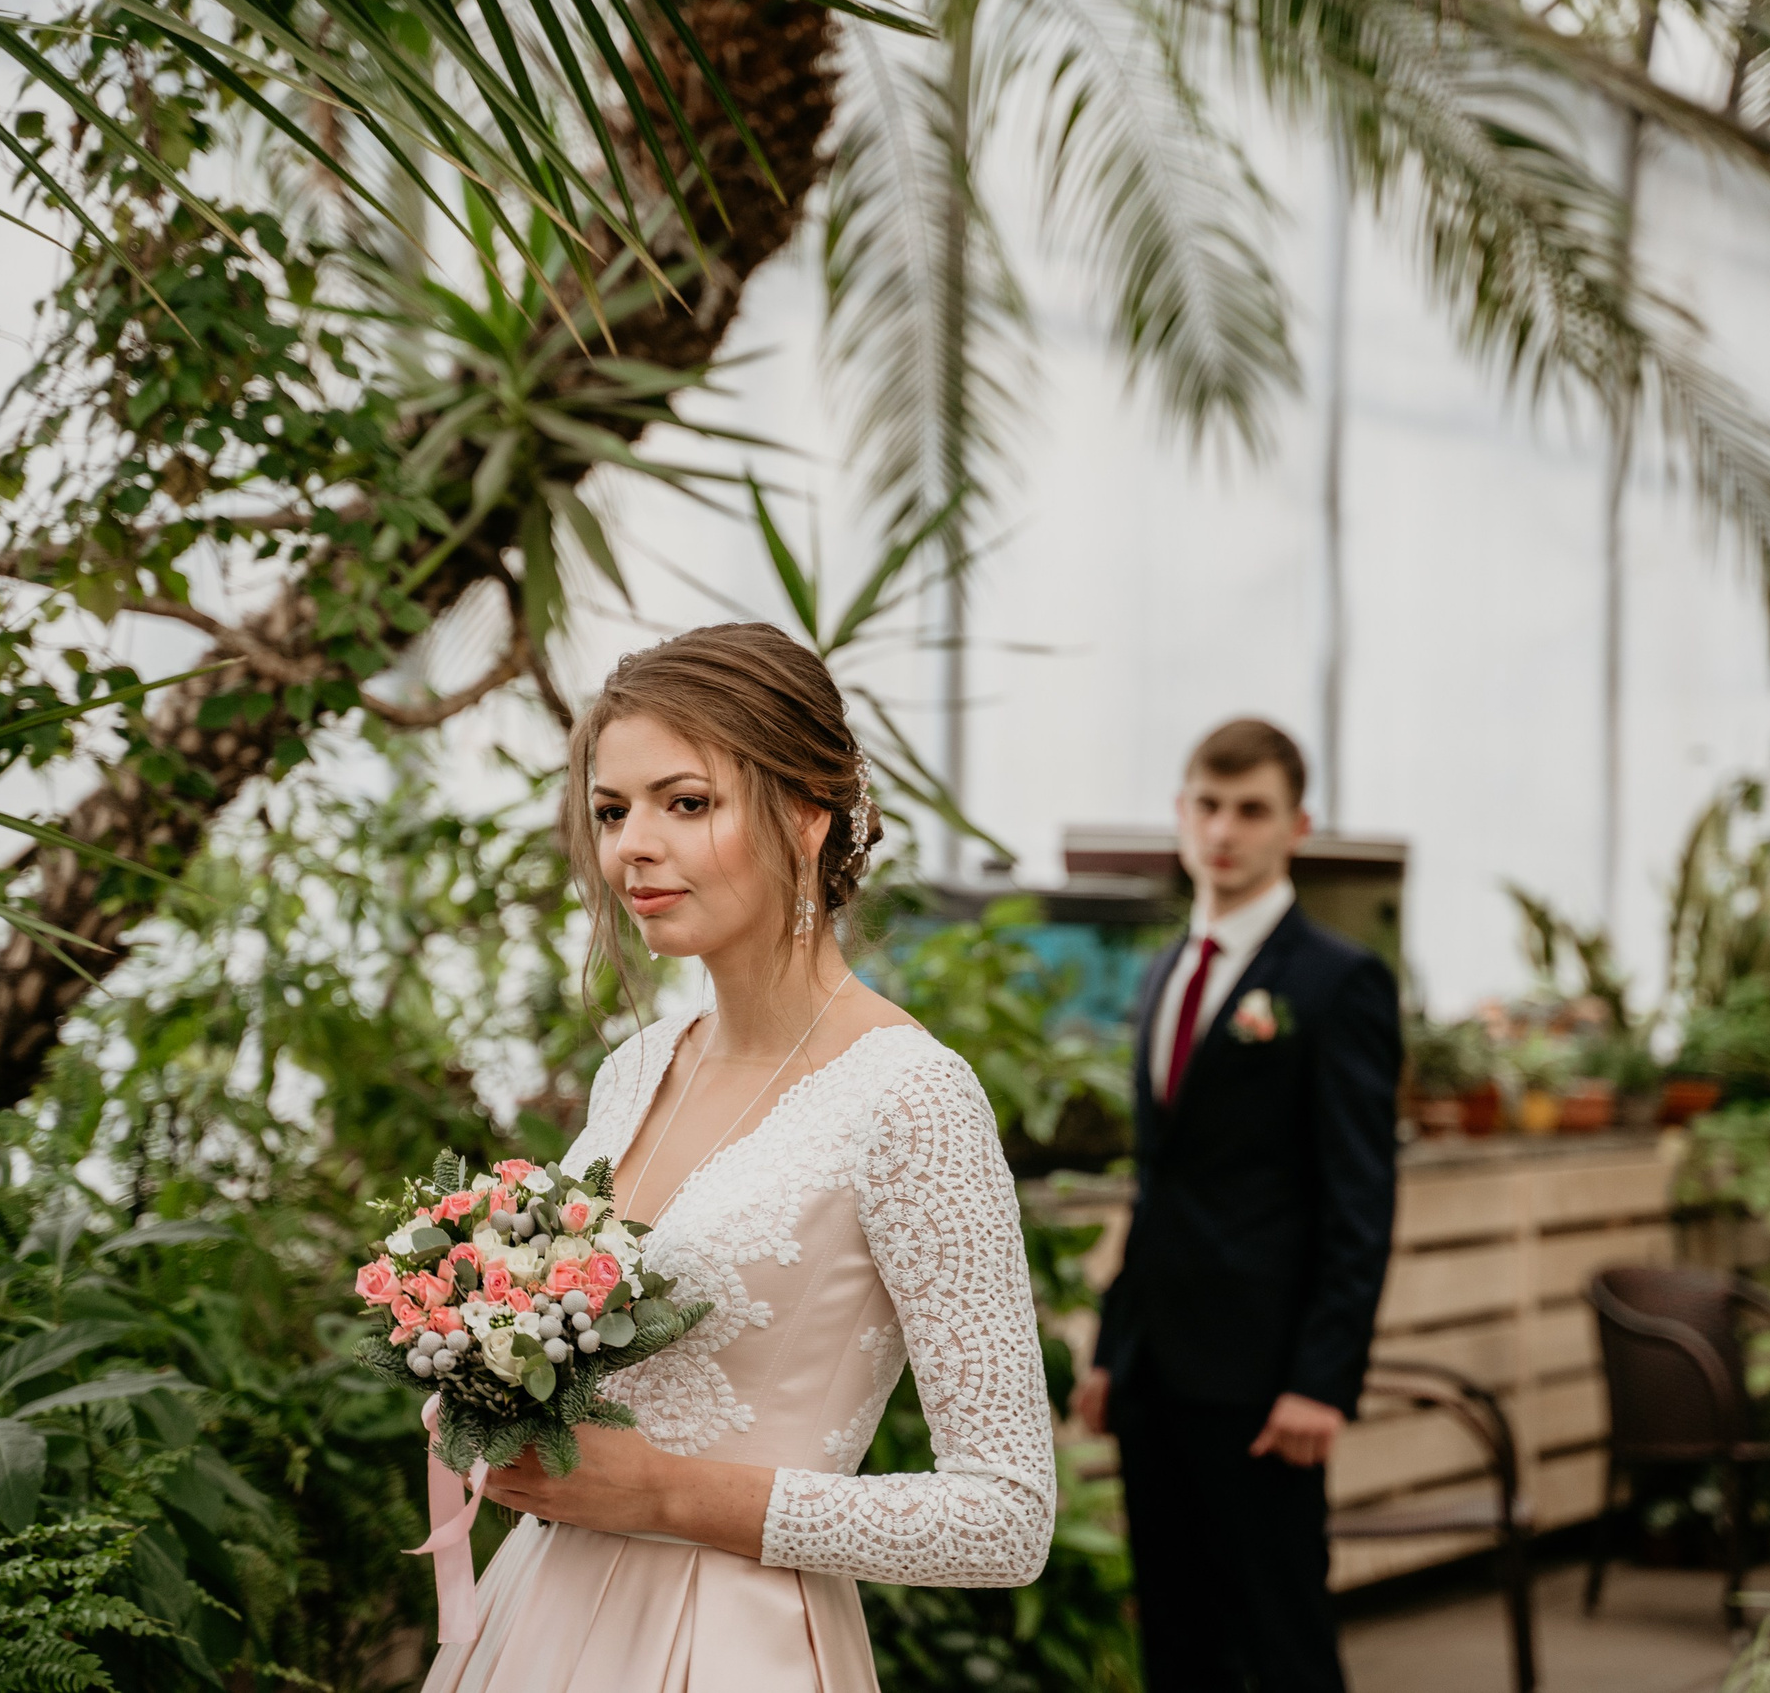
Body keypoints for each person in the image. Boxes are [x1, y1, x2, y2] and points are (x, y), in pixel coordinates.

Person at [424, 622, 1054, 1693]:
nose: (632, 846)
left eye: (686, 803)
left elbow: (1005, 1517)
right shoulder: (633, 1070)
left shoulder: (911, 1097)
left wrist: (667, 1494)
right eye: (612, 811)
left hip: (735, 1643)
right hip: (542, 1618)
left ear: (807, 816)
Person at [1072, 719, 1401, 1693]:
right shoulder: (1165, 971)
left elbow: (1359, 1200)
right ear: (1180, 814)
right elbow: (1161, 1184)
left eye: (1251, 810)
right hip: (1156, 1370)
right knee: (1176, 1640)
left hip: (1265, 1381)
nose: (1224, 831)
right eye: (1208, 807)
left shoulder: (1338, 982)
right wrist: (1113, 1350)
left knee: (1281, 1637)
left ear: (1297, 826)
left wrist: (1322, 1381)